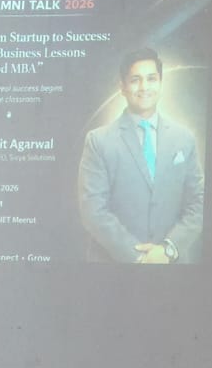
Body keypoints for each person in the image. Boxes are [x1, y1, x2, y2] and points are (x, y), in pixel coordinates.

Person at [77, 48, 204, 264]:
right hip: (113, 267)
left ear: (161, 83)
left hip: (173, 266)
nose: (144, 87)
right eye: (135, 80)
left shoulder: (184, 138)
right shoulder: (98, 141)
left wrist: (168, 249)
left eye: (151, 79)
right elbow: (93, 211)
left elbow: (199, 202)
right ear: (123, 87)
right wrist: (138, 257)